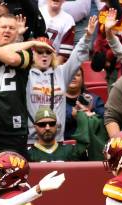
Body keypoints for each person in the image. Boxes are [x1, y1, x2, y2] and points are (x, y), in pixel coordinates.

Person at [0, 15, 55, 156]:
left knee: (12, 174)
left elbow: (12, 58)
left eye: (11, 28)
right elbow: (2, 52)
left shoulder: (25, 53)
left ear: (17, 32)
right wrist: (31, 43)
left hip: (12, 130)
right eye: (3, 27)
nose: (7, 31)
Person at [27, 15, 97, 144]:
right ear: (32, 54)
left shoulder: (61, 72)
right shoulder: (25, 75)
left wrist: (87, 37)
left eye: (48, 52)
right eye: (39, 52)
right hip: (31, 140)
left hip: (57, 139)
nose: (44, 55)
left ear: (53, 55)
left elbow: (77, 57)